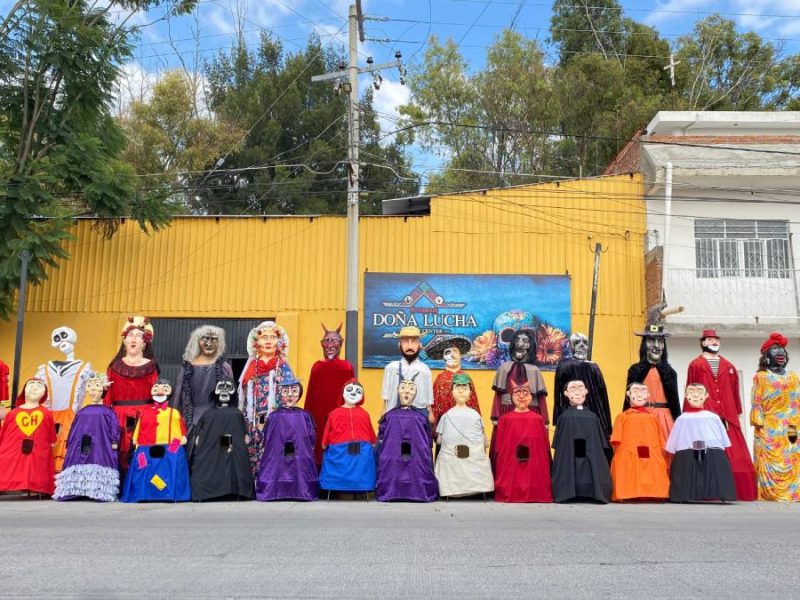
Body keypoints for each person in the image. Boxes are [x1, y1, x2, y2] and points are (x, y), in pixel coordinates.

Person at [685, 329, 756, 501]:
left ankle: (738, 490)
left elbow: (735, 391)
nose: (714, 342)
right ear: (703, 343)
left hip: (727, 415)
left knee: (736, 455)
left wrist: (736, 411)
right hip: (704, 414)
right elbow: (690, 388)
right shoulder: (695, 365)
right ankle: (706, 489)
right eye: (710, 340)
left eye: (716, 340)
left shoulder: (729, 366)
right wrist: (689, 412)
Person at [238, 321, 295, 477]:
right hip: (253, 420)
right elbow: (243, 397)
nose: (268, 341)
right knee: (253, 450)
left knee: (275, 449)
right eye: (264, 337)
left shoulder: (282, 365)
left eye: (272, 337)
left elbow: (290, 394)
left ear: (279, 342)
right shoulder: (251, 367)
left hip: (277, 418)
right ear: (257, 343)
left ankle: (273, 483)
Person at [121, 379, 191, 503]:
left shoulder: (174, 413)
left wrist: (175, 446)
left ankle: (167, 493)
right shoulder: (145, 412)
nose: (160, 391)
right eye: (156, 388)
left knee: (168, 469)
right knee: (143, 469)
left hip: (170, 448)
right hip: (145, 448)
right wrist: (136, 441)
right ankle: (144, 494)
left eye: (164, 389)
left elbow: (180, 431)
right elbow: (139, 429)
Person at [105, 316, 159, 476]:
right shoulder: (114, 366)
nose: (133, 339)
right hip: (118, 416)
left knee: (141, 451)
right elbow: (107, 396)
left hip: (144, 416)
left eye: (138, 336)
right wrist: (106, 417)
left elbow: (157, 394)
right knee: (117, 451)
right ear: (124, 341)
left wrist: (157, 417)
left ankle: (139, 482)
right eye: (130, 335)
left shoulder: (151, 366)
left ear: (145, 343)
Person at [54, 373, 120, 502]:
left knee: (99, 459)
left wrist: (114, 440)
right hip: (81, 445)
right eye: (90, 386)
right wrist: (70, 442)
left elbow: (114, 427)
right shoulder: (82, 412)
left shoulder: (108, 412)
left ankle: (98, 491)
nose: (93, 390)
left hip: (101, 446)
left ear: (104, 389)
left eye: (97, 386)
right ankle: (76, 490)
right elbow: (74, 428)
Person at [665, 383, 736, 503]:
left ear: (706, 395)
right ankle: (682, 494)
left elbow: (723, 440)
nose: (695, 395)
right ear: (686, 396)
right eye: (691, 392)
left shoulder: (713, 417)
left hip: (711, 449)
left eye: (699, 392)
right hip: (686, 450)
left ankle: (723, 494)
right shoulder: (681, 419)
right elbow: (674, 441)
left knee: (717, 464)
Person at [750, 332, 800, 502]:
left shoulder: (793, 377)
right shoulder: (761, 377)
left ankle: (794, 492)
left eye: (782, 350)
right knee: (772, 459)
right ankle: (770, 492)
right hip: (770, 426)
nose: (780, 353)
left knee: (793, 455)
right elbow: (756, 402)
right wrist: (759, 425)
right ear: (766, 356)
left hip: (792, 425)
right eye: (775, 350)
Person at [34, 326, 92, 471]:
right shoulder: (45, 369)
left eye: (64, 337)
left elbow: (92, 389)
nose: (62, 342)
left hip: (70, 418)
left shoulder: (83, 368)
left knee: (67, 451)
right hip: (48, 417)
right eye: (58, 338)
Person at [188, 378, 254, 502]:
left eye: (228, 388)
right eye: (221, 388)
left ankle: (233, 489)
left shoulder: (236, 414)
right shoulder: (209, 413)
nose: (224, 391)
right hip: (215, 446)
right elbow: (200, 430)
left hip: (229, 444)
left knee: (229, 459)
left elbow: (243, 433)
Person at [376, 374, 438, 502]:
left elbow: (428, 439)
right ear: (397, 390)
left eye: (411, 389)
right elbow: (381, 436)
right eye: (403, 387)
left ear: (416, 393)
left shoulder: (420, 418)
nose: (407, 391)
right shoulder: (389, 416)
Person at [255, 377, 318, 502]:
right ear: (280, 393)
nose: (290, 395)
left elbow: (311, 436)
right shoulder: (273, 416)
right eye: (285, 391)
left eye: (294, 391)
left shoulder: (304, 415)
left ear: (299, 394)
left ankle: (287, 491)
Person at [550, 380, 611, 503]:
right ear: (566, 394)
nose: (577, 392)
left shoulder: (593, 417)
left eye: (581, 389)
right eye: (573, 389)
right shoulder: (564, 418)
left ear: (586, 392)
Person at [434, 373, 493, 498]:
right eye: (458, 388)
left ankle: (451, 488)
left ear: (470, 392)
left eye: (464, 388)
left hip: (452, 468)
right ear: (452, 392)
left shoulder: (447, 415)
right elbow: (485, 443)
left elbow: (439, 441)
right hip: (472, 463)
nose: (461, 391)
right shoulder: (475, 415)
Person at [493, 379, 553, 503]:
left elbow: (544, 446)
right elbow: (499, 446)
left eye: (525, 393)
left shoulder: (538, 419)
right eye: (517, 394)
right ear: (512, 397)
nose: (521, 397)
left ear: (531, 397)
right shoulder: (504, 419)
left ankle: (534, 492)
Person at [304, 323, 355, 468]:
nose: (330, 344)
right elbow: (310, 394)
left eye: (334, 340)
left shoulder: (346, 367)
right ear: (322, 344)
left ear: (341, 343)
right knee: (319, 448)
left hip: (340, 415)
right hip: (318, 416)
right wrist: (307, 417)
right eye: (326, 341)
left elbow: (352, 394)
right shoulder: (317, 367)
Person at [610, 383, 670, 502]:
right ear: (628, 394)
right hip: (628, 451)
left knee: (652, 466)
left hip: (650, 450)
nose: (639, 394)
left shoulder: (653, 418)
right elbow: (616, 438)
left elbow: (659, 438)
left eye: (643, 391)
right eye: (636, 391)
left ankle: (653, 492)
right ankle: (627, 492)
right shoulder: (622, 417)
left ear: (648, 395)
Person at [173, 325, 234, 437]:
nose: (209, 343)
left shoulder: (224, 367)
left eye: (214, 339)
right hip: (191, 422)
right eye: (205, 339)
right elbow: (178, 397)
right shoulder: (187, 367)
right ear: (197, 341)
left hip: (217, 422)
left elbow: (232, 397)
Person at [0, 379, 57, 496]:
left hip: (38, 448)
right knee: (6, 457)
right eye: (31, 385)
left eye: (39, 386)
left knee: (38, 459)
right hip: (14, 448)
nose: (34, 388)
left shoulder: (46, 413)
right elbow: (5, 433)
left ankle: (38, 486)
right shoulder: (12, 413)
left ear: (44, 394)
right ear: (24, 390)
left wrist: (51, 442)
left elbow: (51, 434)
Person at [319, 379, 377, 494]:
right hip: (340, 448)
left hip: (361, 449)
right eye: (350, 390)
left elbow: (369, 430)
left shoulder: (364, 414)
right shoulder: (334, 414)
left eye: (358, 391)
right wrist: (325, 443)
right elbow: (327, 431)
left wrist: (372, 441)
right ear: (343, 393)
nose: (353, 393)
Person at [625, 323, 680, 441]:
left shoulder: (670, 372)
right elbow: (627, 401)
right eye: (651, 340)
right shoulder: (635, 370)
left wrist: (679, 424)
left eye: (660, 341)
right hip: (640, 417)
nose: (656, 345)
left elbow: (675, 403)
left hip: (665, 420)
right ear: (644, 344)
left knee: (664, 450)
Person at [553, 332, 611, 444]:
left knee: (591, 445)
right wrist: (558, 418)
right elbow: (558, 394)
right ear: (571, 346)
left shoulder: (594, 367)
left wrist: (606, 424)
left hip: (594, 413)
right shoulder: (564, 366)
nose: (581, 346)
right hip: (571, 414)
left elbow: (603, 395)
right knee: (574, 445)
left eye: (585, 343)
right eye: (577, 343)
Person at [426, 334, 480, 432]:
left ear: (460, 355)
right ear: (443, 357)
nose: (452, 355)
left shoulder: (467, 378)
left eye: (455, 351)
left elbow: (474, 404)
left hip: (465, 426)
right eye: (448, 352)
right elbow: (434, 409)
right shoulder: (439, 379)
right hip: (445, 427)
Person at [380, 326, 434, 424]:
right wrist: (384, 414)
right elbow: (386, 399)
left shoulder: (425, 370)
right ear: (399, 345)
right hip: (394, 419)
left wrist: (430, 416)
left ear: (420, 345)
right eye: (405, 341)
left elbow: (428, 401)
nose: (410, 346)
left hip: (419, 419)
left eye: (414, 341)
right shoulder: (391, 368)